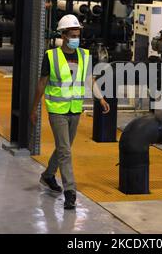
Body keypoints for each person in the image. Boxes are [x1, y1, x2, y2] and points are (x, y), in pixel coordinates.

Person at [30, 14, 110, 210]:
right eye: (73, 35)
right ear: (63, 35)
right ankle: (70, 192)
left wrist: (100, 98)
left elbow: (89, 78)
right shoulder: (51, 56)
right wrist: (34, 108)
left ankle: (48, 175)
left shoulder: (84, 55)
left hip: (75, 109)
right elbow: (42, 83)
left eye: (78, 35)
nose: (76, 38)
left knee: (63, 148)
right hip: (57, 110)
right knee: (65, 151)